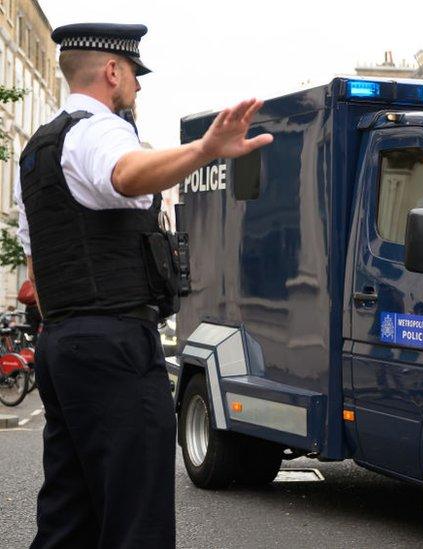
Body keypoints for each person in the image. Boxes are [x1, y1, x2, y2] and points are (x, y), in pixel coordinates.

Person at [15, 23, 272, 548]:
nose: (138, 87)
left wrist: (68, 326)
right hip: (112, 343)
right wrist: (205, 150)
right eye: (134, 74)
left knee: (68, 512)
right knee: (138, 517)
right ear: (113, 71)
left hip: (61, 341)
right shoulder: (100, 128)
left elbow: (37, 263)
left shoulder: (36, 152)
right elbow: (125, 174)